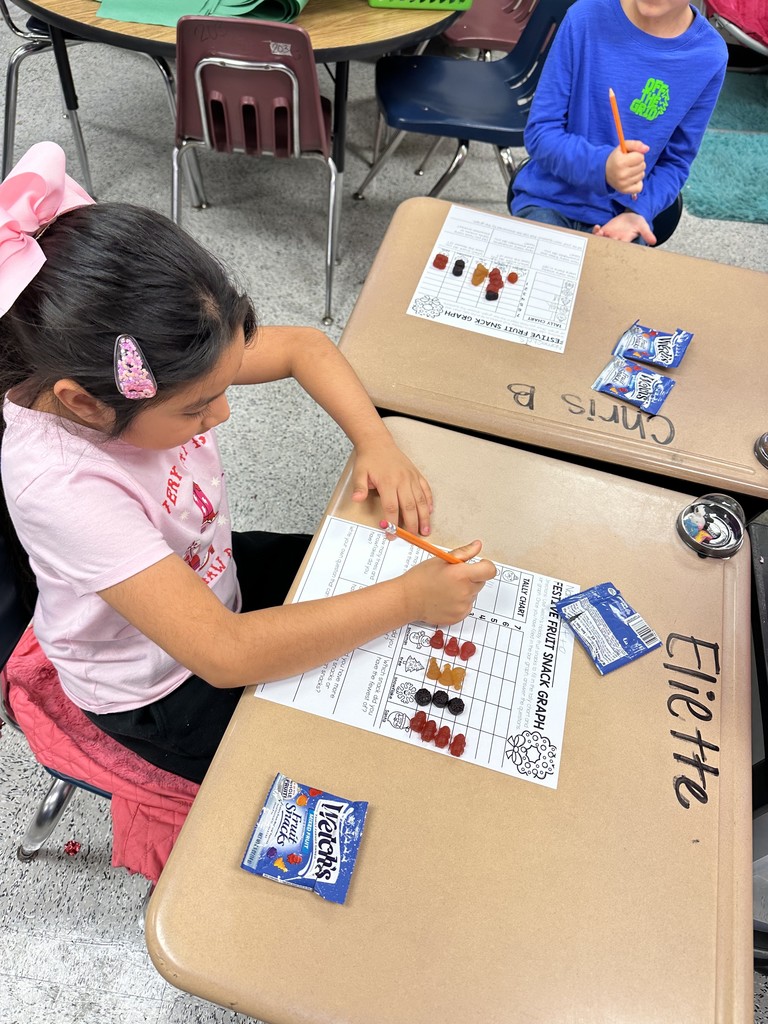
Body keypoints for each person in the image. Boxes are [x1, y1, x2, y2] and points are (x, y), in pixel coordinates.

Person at [0, 142, 496, 784]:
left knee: (373, 570)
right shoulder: (61, 483)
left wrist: (378, 443)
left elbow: (307, 349)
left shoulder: (156, 367)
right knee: (350, 763)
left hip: (212, 569)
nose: (224, 415)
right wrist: (406, 600)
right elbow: (224, 655)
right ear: (86, 406)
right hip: (159, 687)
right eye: (199, 408)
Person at [509, 0, 728, 244]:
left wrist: (637, 212)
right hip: (548, 201)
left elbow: (676, 162)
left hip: (622, 218)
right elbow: (540, 134)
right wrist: (603, 167)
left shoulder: (709, 56)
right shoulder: (584, 17)